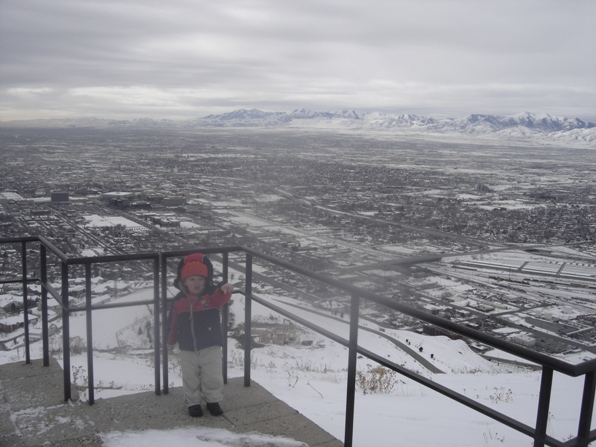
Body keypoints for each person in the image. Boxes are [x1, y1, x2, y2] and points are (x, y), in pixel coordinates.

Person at [166, 253, 234, 417]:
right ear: (184, 282)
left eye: (200, 279)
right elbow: (173, 324)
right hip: (187, 347)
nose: (196, 283)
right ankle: (193, 403)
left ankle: (213, 401)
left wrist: (226, 287)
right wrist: (170, 341)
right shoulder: (178, 302)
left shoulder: (211, 298)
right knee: (190, 377)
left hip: (211, 346)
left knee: (213, 376)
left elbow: (222, 294)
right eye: (192, 279)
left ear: (206, 281)